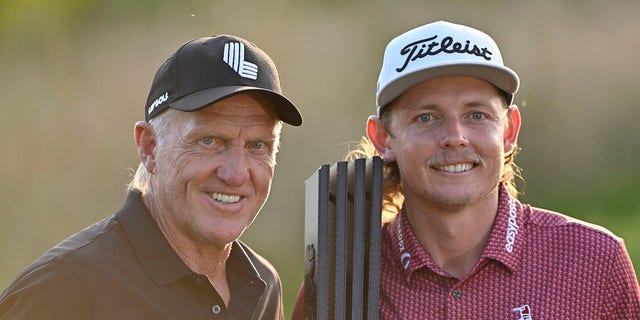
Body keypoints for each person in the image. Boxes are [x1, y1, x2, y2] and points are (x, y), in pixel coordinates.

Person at [292, 20, 640, 319]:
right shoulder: (340, 279)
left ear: (508, 131)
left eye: (477, 115)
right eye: (426, 117)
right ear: (383, 138)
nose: (455, 138)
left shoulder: (594, 261)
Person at [0, 34, 302, 319]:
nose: (236, 174)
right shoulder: (62, 289)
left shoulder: (262, 286)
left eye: (258, 145)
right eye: (209, 141)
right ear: (149, 147)